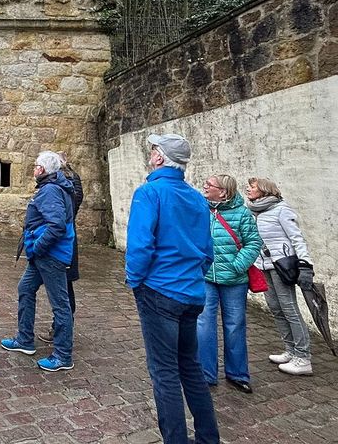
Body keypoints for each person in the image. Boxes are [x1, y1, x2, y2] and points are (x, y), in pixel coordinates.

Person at [126, 133, 219, 444]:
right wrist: (193, 276)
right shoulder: (196, 198)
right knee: (190, 368)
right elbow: (207, 251)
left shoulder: (149, 193)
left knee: (165, 373)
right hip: (191, 292)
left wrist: (134, 281)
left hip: (159, 290)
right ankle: (208, 437)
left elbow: (140, 247)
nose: (151, 153)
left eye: (154, 149)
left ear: (160, 158)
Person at [1, 151, 76, 373]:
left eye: (35, 165)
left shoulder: (51, 190)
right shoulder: (53, 187)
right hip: (43, 256)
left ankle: (63, 355)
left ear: (42, 169)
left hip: (50, 255)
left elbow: (57, 225)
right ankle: (25, 339)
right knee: (25, 288)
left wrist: (37, 247)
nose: (33, 168)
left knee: (60, 304)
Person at [197, 174, 262, 393]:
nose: (205, 185)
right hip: (206, 277)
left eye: (210, 184)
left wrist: (236, 265)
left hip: (235, 280)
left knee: (235, 325)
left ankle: (237, 373)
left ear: (223, 192)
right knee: (204, 324)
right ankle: (206, 374)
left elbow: (254, 243)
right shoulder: (202, 210)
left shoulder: (242, 213)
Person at [247, 177, 315, 376]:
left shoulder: (281, 209)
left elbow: (297, 238)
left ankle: (303, 357)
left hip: (281, 266)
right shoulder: (256, 211)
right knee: (276, 309)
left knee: (290, 309)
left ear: (264, 190)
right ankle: (291, 350)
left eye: (252, 187)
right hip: (264, 266)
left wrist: (305, 264)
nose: (248, 190)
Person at [38, 152, 84, 344]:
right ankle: (60, 328)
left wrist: (39, 243)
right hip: (58, 242)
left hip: (59, 244)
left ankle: (62, 332)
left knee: (63, 291)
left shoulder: (64, 186)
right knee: (30, 286)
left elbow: (62, 218)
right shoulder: (67, 183)